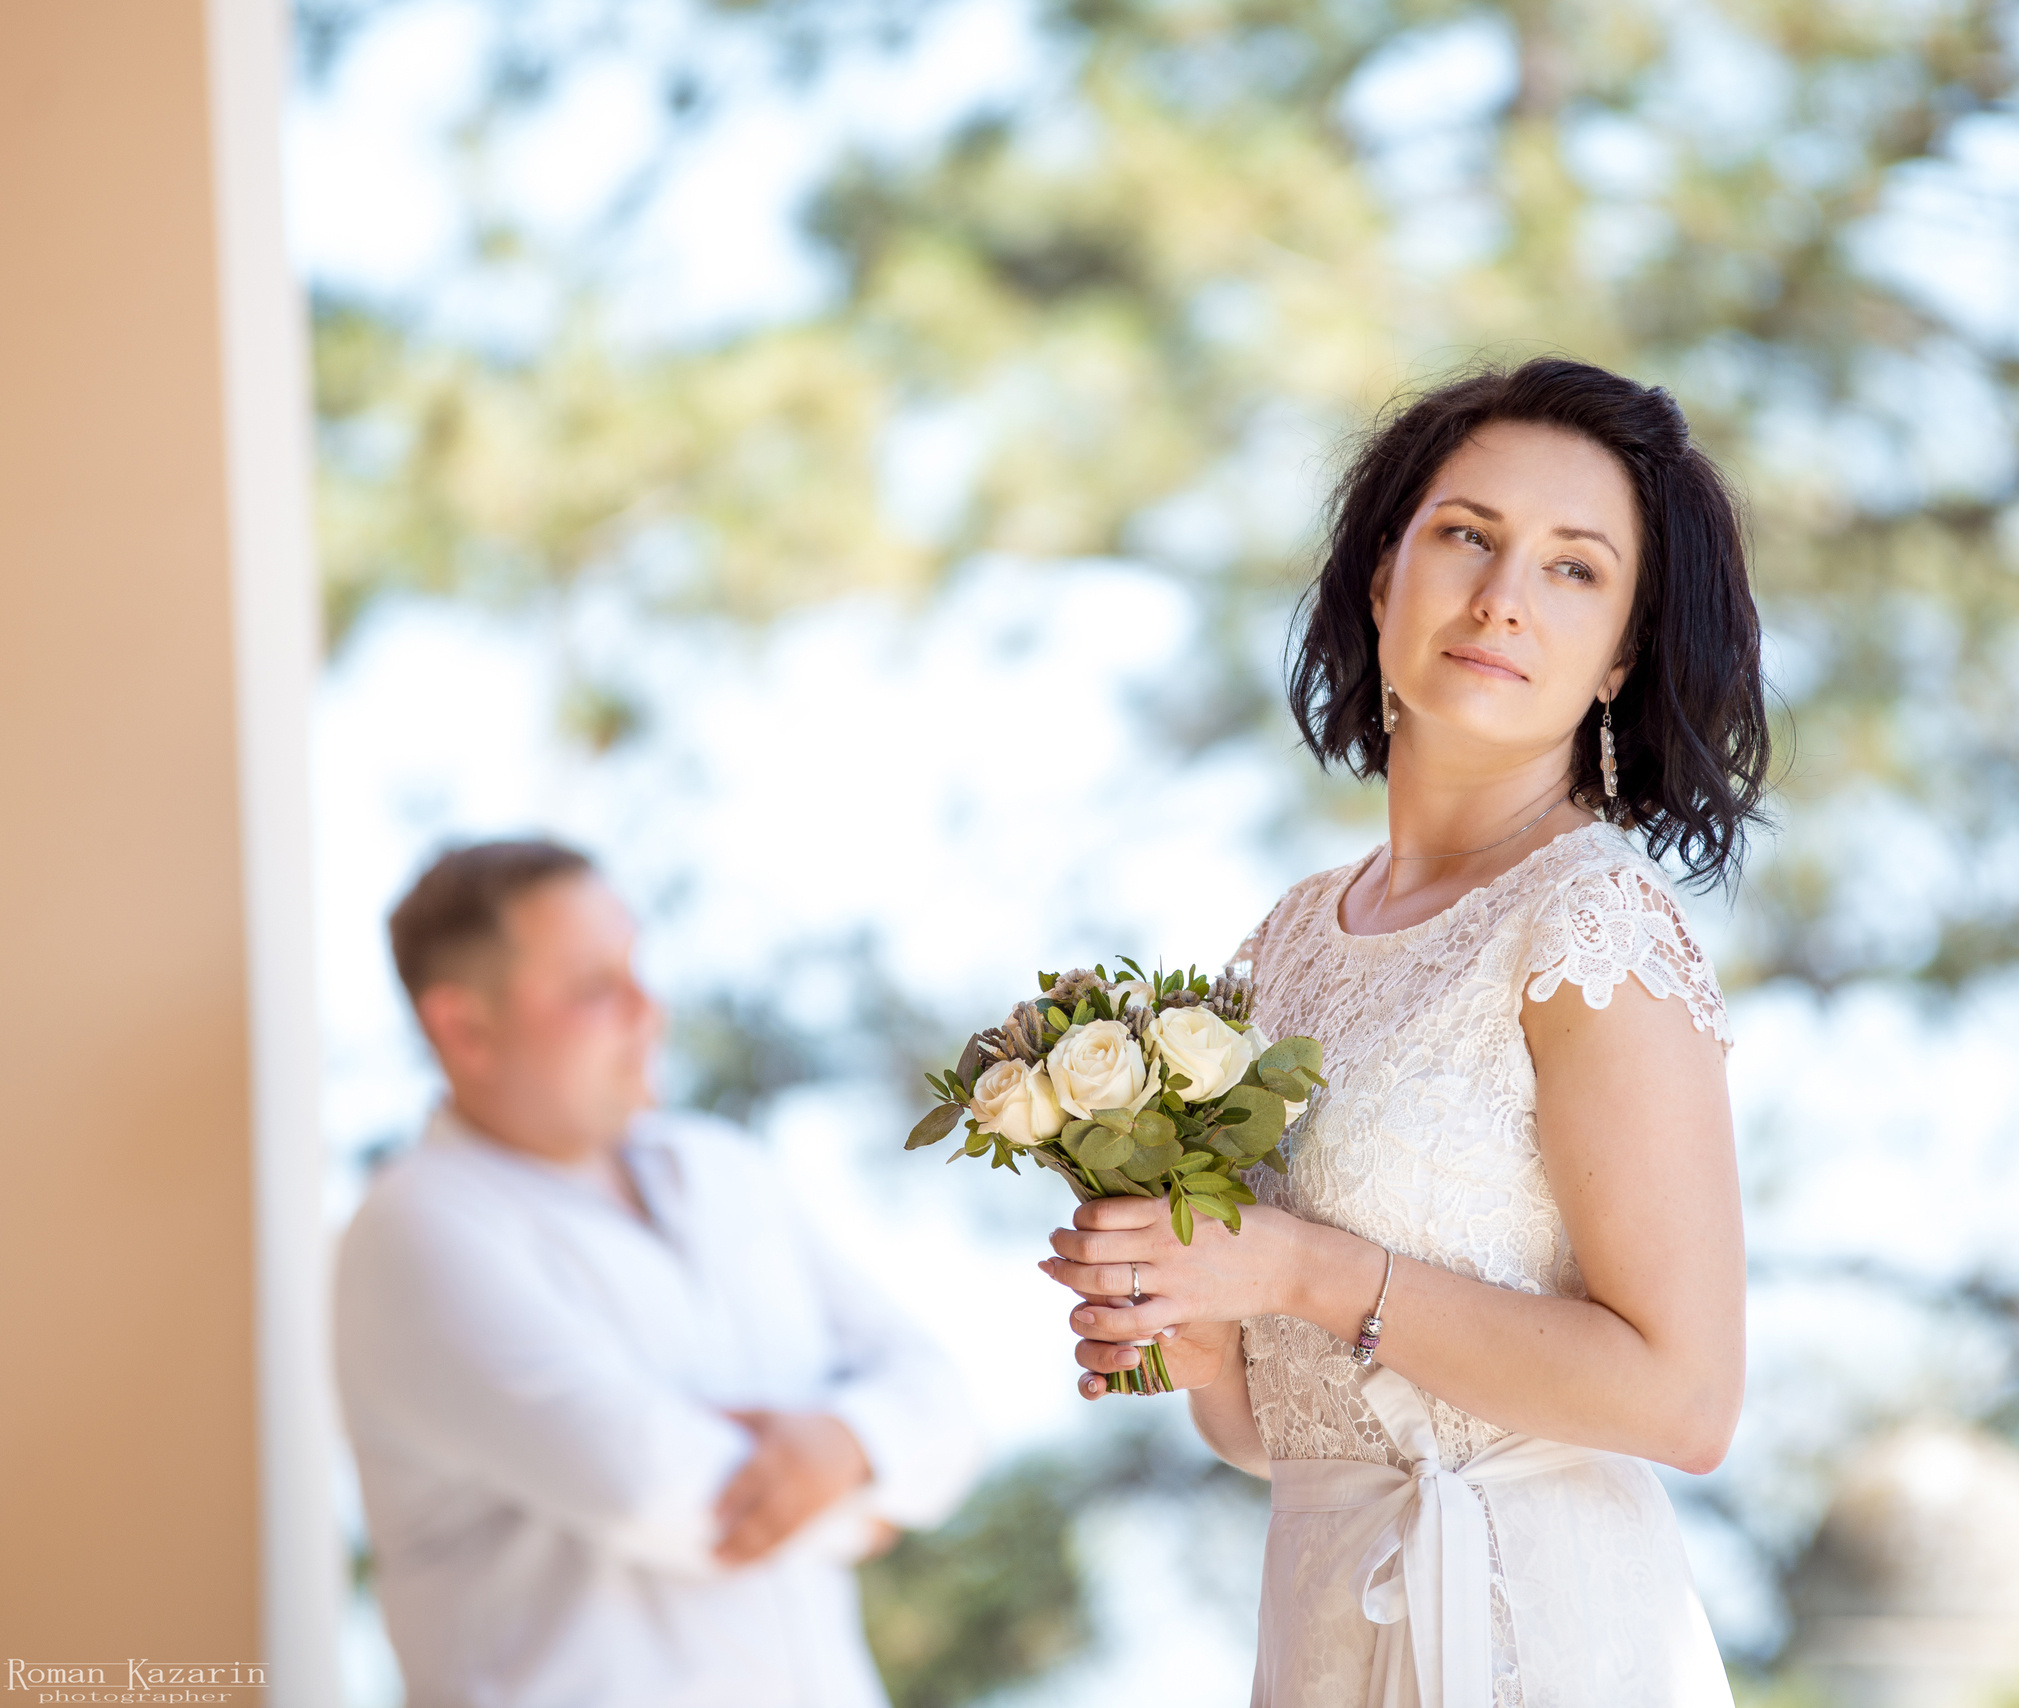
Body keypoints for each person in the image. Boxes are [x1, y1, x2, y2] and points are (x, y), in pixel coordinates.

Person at [1040, 359, 1765, 1705]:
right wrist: (1191, 1314)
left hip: (1540, 1639)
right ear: (1383, 576)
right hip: (1326, 1624)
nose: (1501, 597)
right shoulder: (1294, 939)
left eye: (1573, 569)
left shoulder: (1591, 925)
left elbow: (1685, 1400)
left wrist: (1303, 1270)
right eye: (1468, 536)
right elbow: (1278, 1429)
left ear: (1621, 654)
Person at [336, 839, 980, 1708]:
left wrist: (852, 1444)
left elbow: (944, 1404)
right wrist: (871, 1490)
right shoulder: (414, 1228)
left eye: (637, 968)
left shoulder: (724, 1170)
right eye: (594, 987)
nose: (649, 1010)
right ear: (465, 1028)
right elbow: (655, 1491)